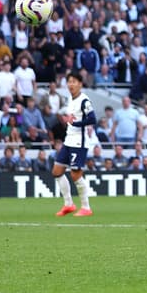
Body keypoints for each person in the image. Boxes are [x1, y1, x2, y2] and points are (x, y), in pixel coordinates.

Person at [53, 72, 97, 217]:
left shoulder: (84, 100)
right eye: (69, 81)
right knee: (57, 171)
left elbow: (92, 119)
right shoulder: (70, 100)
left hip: (79, 141)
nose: (71, 84)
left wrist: (77, 123)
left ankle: (86, 207)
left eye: (74, 81)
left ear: (80, 84)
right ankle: (69, 204)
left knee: (75, 174)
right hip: (68, 140)